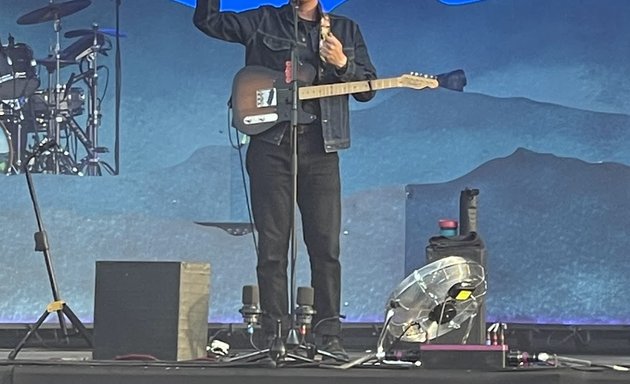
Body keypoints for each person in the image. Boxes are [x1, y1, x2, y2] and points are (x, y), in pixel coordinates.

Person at [193, 0, 377, 359]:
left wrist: (342, 62)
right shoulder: (264, 20)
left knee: (325, 247)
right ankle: (273, 332)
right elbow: (208, 21)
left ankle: (328, 335)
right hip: (271, 146)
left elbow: (367, 89)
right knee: (273, 247)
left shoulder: (345, 30)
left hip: (323, 149)